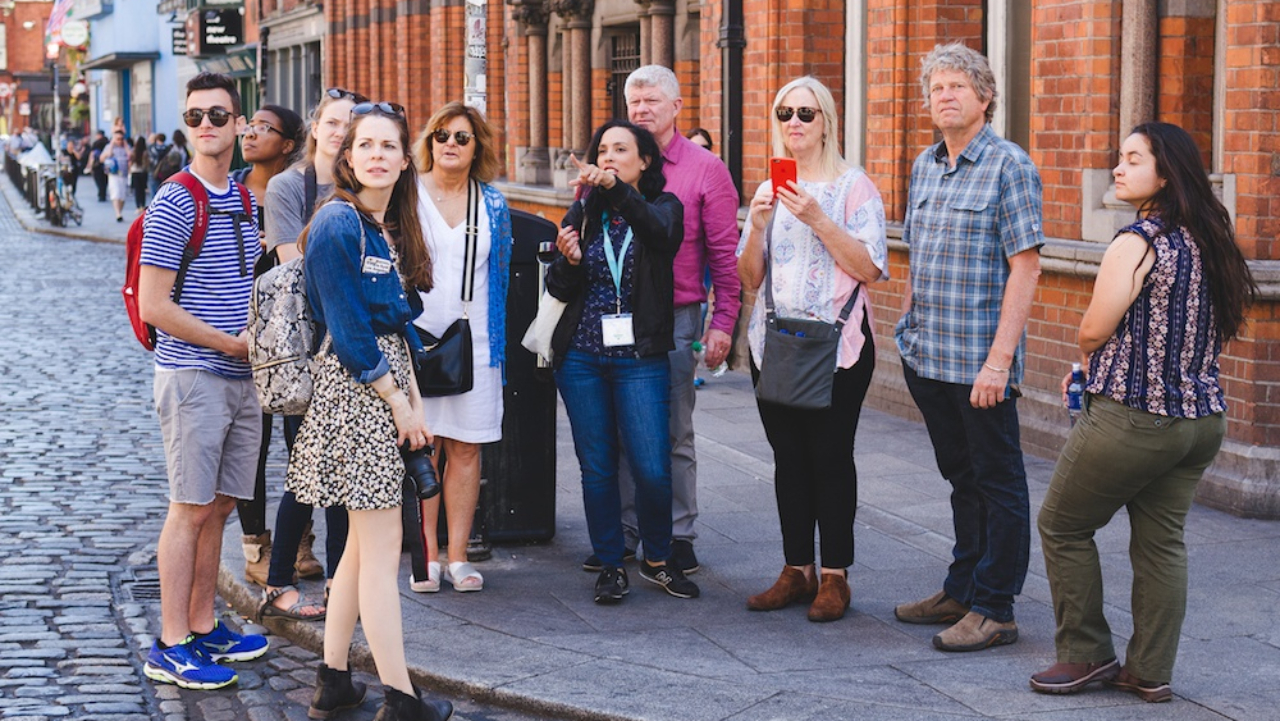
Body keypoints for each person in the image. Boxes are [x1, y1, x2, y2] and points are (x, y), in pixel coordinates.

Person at [1030, 123, 1257, 701]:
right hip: (1201, 421)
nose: (1118, 168)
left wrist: (1090, 359)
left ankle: (1085, 655)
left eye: (1133, 158)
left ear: (1166, 172)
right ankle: (1150, 670)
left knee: (1063, 524)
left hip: (1136, 416)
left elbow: (1093, 328)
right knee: (1161, 543)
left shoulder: (1139, 241)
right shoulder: (1211, 240)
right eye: (1119, 158)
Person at [285, 99, 453, 721]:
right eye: (366, 146)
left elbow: (392, 330)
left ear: (405, 161)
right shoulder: (337, 224)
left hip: (381, 392)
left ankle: (332, 680)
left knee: (360, 548)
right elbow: (352, 335)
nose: (378, 155)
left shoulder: (381, 226)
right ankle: (402, 699)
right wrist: (400, 405)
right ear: (346, 158)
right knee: (382, 556)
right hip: (359, 398)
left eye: (389, 146)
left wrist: (412, 401)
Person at [892, 42, 1044, 651]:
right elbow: (915, 258)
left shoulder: (1010, 166)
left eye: (958, 85)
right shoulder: (925, 166)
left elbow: (1026, 268)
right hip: (927, 357)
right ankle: (963, 586)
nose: (946, 95)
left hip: (980, 365)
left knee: (998, 481)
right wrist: (906, 327)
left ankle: (996, 607)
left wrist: (1000, 362)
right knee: (961, 478)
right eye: (936, 88)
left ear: (985, 97)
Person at [736, 77, 888, 623]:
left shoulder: (854, 187)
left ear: (826, 121)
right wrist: (756, 228)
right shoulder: (768, 189)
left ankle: (835, 576)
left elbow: (871, 268)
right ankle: (795, 569)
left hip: (838, 346)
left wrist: (817, 219)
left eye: (806, 113)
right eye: (784, 114)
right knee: (788, 459)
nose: (794, 123)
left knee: (829, 456)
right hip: (774, 343)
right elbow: (750, 279)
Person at [137, 72, 267, 690]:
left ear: (240, 125)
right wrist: (229, 343)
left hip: (242, 376)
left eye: (219, 114)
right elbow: (155, 307)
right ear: (186, 126)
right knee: (189, 509)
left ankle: (202, 623)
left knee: (220, 506)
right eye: (195, 117)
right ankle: (170, 643)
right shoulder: (174, 200)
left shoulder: (243, 199)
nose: (207, 125)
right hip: (194, 375)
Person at [592, 64, 739, 576]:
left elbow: (724, 254)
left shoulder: (705, 169)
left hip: (676, 316)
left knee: (671, 430)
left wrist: (723, 322)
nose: (641, 111)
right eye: (634, 103)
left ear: (677, 107)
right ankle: (629, 530)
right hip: (611, 314)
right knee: (618, 431)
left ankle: (677, 534)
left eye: (652, 101)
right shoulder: (608, 162)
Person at [546, 119, 696, 604]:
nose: (609, 156)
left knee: (652, 467)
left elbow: (660, 234)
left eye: (621, 149)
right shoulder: (581, 213)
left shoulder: (662, 206)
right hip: (582, 357)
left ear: (645, 161)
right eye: (602, 150)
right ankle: (610, 563)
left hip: (639, 358)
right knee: (597, 467)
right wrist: (567, 263)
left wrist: (614, 190)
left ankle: (656, 557)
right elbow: (558, 291)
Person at [255, 88, 368, 621]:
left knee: (347, 478)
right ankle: (278, 582)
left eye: (353, 124)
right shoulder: (287, 187)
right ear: (316, 128)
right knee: (307, 471)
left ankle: (342, 586)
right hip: (309, 349)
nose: (341, 130)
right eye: (334, 121)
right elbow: (292, 263)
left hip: (356, 344)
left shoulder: (363, 185)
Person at [405, 101, 512, 594]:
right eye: (442, 134)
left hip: (476, 341)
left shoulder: (491, 203)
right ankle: (424, 555)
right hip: (416, 340)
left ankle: (458, 556)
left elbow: (502, 280)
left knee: (466, 450)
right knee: (423, 448)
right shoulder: (407, 196)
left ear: (477, 148)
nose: (450, 143)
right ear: (429, 142)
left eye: (462, 137)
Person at [225, 104, 315, 615]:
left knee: (300, 440)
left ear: (287, 143)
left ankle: (300, 543)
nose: (251, 132)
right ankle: (256, 547)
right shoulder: (231, 190)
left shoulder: (300, 189)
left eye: (265, 128)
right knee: (251, 446)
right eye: (249, 125)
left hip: (292, 338)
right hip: (245, 335)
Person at [106, 130, 131, 221]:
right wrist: (112, 145)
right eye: (117, 139)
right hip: (114, 174)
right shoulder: (109, 147)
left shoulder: (126, 147)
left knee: (122, 196)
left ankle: (119, 211)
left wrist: (126, 145)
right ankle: (118, 213)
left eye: (121, 139)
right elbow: (106, 156)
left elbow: (130, 155)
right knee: (115, 193)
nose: (119, 141)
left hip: (124, 174)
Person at [148, 132, 172, 199]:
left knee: (154, 193)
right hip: (165, 172)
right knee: (164, 191)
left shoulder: (151, 148)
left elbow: (150, 160)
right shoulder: (168, 148)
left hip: (154, 171)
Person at [130, 136, 150, 210]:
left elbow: (130, 161)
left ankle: (138, 206)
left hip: (134, 172)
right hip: (143, 172)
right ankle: (142, 205)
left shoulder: (134, 151)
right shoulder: (145, 152)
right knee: (143, 190)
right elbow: (147, 163)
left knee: (137, 190)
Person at [90, 130, 109, 202]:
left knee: (98, 180)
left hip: (97, 164)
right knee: (104, 180)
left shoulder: (96, 143)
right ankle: (103, 193)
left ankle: (101, 193)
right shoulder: (107, 142)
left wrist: (90, 165)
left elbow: (92, 155)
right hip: (106, 164)